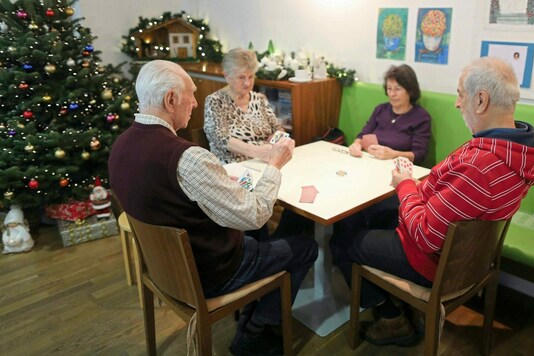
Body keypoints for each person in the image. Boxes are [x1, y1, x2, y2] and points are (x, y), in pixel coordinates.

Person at [330, 57, 534, 347]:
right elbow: (454, 197)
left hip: (437, 263)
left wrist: (406, 184)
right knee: (369, 213)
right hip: (473, 257)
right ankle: (398, 301)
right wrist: (418, 188)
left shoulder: (479, 165)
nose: (458, 103)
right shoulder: (520, 151)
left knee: (343, 240)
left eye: (461, 94)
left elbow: (425, 235)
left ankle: (391, 319)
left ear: (481, 100)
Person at [108, 60, 318, 356]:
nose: (194, 103)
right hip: (210, 272)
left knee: (263, 235)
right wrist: (274, 164)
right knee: (306, 246)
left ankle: (253, 309)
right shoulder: (186, 158)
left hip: (165, 267)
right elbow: (255, 214)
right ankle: (254, 331)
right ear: (171, 100)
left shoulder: (121, 144)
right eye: (190, 95)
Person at [204, 47, 284, 165]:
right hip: (233, 167)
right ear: (227, 76)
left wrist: (275, 141)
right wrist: (257, 151)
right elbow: (220, 139)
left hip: (264, 163)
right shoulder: (215, 101)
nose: (247, 83)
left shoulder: (260, 99)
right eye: (241, 77)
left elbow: (279, 130)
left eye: (251, 77)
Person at [349, 64, 431, 166]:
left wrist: (394, 154)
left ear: (410, 90)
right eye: (389, 88)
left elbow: (419, 155)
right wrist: (356, 144)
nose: (392, 94)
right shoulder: (381, 109)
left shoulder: (420, 117)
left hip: (399, 168)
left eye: (397, 89)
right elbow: (362, 135)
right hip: (372, 163)